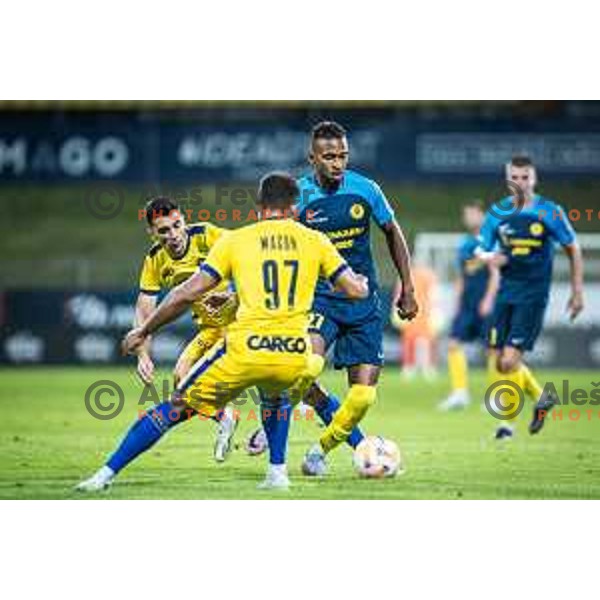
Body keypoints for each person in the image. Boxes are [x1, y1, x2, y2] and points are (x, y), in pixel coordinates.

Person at [77, 172, 368, 491]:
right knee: (276, 396)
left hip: (245, 348)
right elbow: (354, 290)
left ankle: (104, 475)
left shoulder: (235, 240)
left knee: (176, 404)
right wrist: (362, 284)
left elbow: (184, 294)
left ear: (259, 206)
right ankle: (277, 474)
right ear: (294, 208)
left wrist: (143, 331)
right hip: (294, 353)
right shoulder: (316, 240)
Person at [294, 121, 418, 475]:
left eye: (343, 155)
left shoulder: (367, 189)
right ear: (312, 158)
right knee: (306, 368)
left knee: (362, 397)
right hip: (319, 300)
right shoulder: (298, 197)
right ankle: (280, 415)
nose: (338, 163)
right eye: (329, 156)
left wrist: (407, 287)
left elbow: (393, 233)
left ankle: (320, 450)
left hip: (363, 304)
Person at [476, 155, 584, 438]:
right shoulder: (497, 212)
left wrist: (577, 291)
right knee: (498, 359)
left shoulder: (550, 211)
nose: (520, 183)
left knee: (509, 361)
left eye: (526, 177)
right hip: (505, 294)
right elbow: (481, 249)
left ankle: (506, 426)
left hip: (532, 296)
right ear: (507, 179)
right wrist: (491, 257)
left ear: (534, 179)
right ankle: (541, 397)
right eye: (515, 177)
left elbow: (573, 249)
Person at [135, 196, 239, 461]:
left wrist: (233, 294)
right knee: (181, 379)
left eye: (177, 225)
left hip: (241, 325)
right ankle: (225, 417)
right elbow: (145, 309)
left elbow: (250, 256)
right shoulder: (155, 259)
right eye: (163, 230)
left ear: (184, 220)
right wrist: (143, 354)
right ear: (151, 233)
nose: (173, 235)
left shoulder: (206, 235)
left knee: (287, 383)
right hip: (209, 330)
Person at [438, 201, 499, 410]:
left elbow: (495, 273)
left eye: (472, 214)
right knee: (453, 344)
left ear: (482, 216)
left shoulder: (491, 240)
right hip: (467, 305)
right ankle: (459, 393)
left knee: (492, 349)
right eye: (466, 214)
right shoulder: (465, 244)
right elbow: (462, 277)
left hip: (488, 304)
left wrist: (489, 299)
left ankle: (495, 398)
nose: (469, 218)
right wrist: (457, 303)